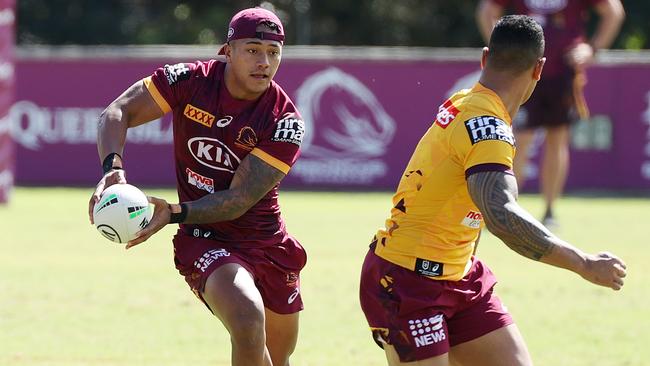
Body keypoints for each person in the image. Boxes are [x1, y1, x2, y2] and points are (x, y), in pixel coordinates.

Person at [359, 15, 626, 366]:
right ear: (539, 69)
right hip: (408, 282)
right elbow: (500, 215)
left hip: (460, 278)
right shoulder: (488, 127)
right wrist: (583, 263)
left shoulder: (468, 101)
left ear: (485, 58)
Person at [87, 7, 307, 366]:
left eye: (273, 52)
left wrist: (172, 212)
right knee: (248, 320)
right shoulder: (190, 80)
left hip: (267, 242)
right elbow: (118, 111)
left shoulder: (284, 122)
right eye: (252, 49)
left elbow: (238, 201)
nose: (263, 62)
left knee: (276, 358)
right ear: (228, 50)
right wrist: (112, 171)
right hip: (206, 237)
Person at [476, 0, 625, 226]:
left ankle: (549, 211)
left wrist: (592, 48)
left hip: (563, 70)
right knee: (517, 138)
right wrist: (503, 51)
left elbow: (614, 11)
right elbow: (487, 10)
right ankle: (504, 206)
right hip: (523, 71)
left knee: (557, 138)